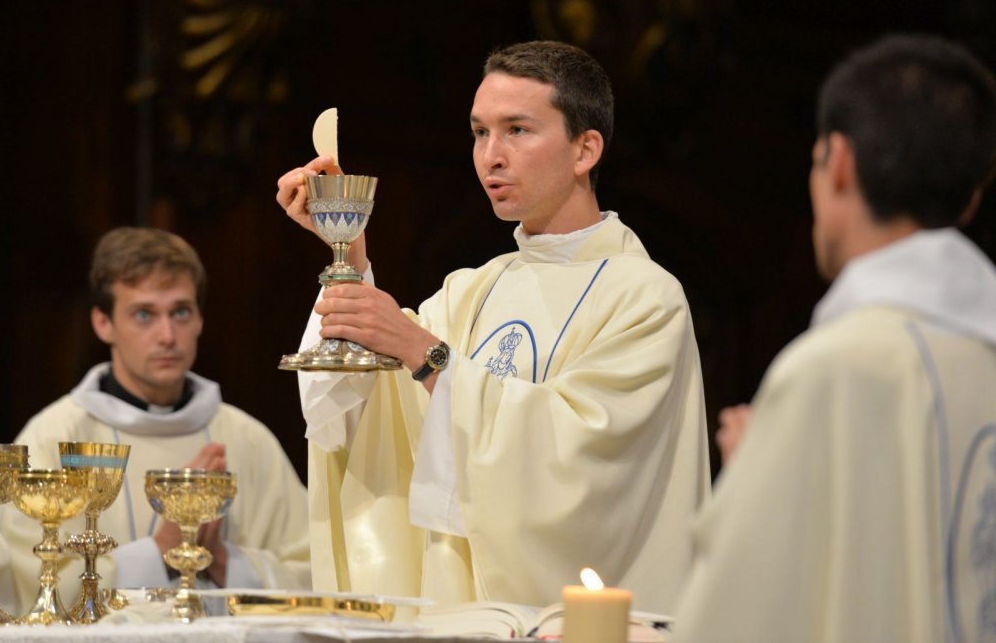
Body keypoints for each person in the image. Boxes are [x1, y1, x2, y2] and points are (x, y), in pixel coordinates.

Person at [276, 40, 710, 612]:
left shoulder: (645, 299)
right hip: (459, 610)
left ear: (585, 149)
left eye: (517, 130)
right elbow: (364, 412)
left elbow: (586, 467)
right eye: (480, 132)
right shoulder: (472, 289)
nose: (491, 156)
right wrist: (349, 258)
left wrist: (426, 356)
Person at [671, 34, 996, 643]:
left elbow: (738, 615)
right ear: (971, 195)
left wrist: (753, 485)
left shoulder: (836, 368)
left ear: (839, 161)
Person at [0, 227, 310, 615]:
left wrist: (222, 561)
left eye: (180, 312)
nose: (167, 335)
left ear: (199, 320)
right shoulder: (55, 436)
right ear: (103, 323)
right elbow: (22, 582)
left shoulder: (248, 438)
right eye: (144, 314)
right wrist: (161, 551)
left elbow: (313, 574)